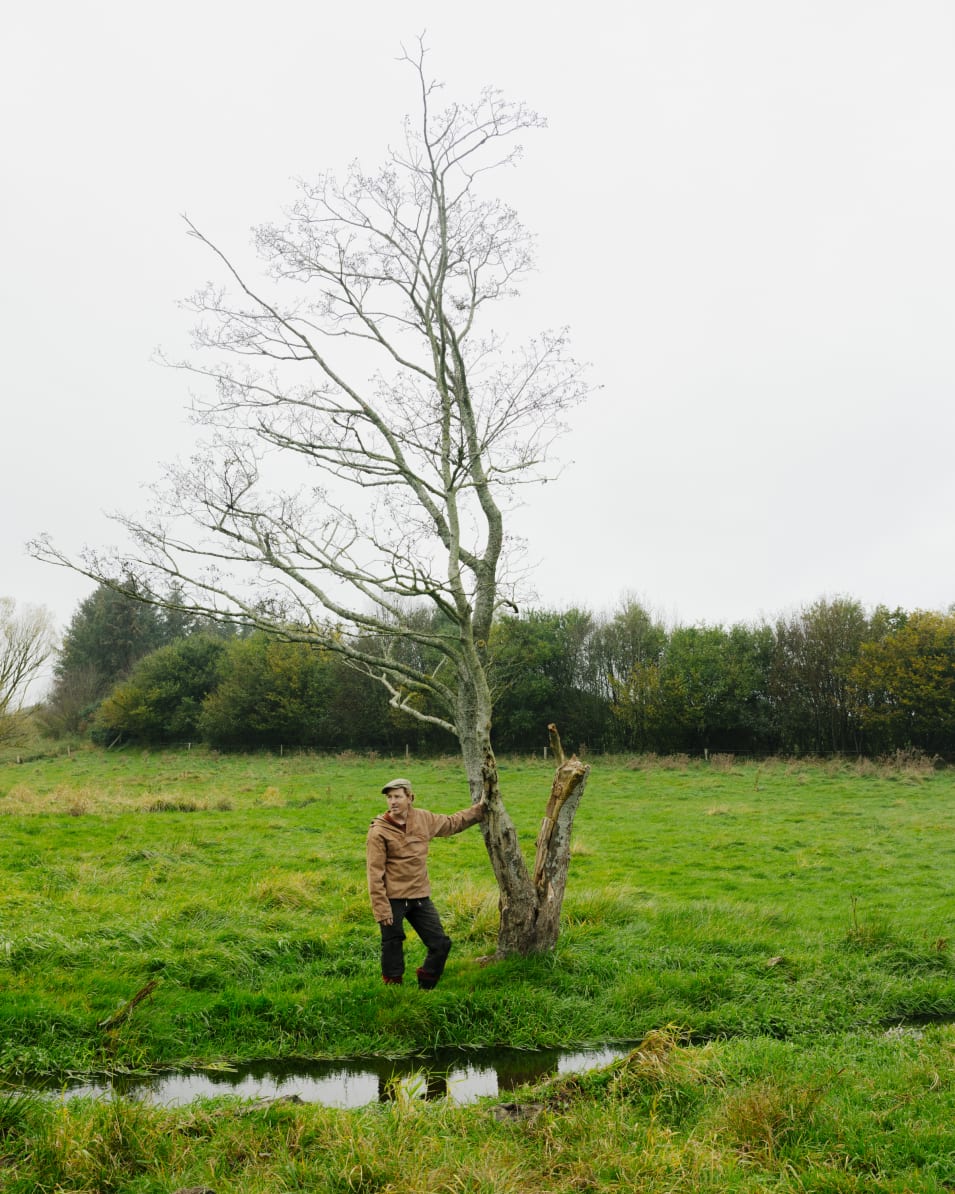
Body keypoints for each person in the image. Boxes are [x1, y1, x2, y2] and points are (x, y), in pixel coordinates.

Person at [366, 777, 484, 988]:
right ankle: (393, 988)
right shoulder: (379, 831)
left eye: (397, 797)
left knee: (440, 944)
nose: (393, 801)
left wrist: (480, 810)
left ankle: (426, 984)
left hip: (419, 895)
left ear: (410, 798)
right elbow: (374, 873)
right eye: (389, 797)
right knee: (392, 943)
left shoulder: (423, 819)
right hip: (392, 898)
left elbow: (452, 823)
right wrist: (381, 908)